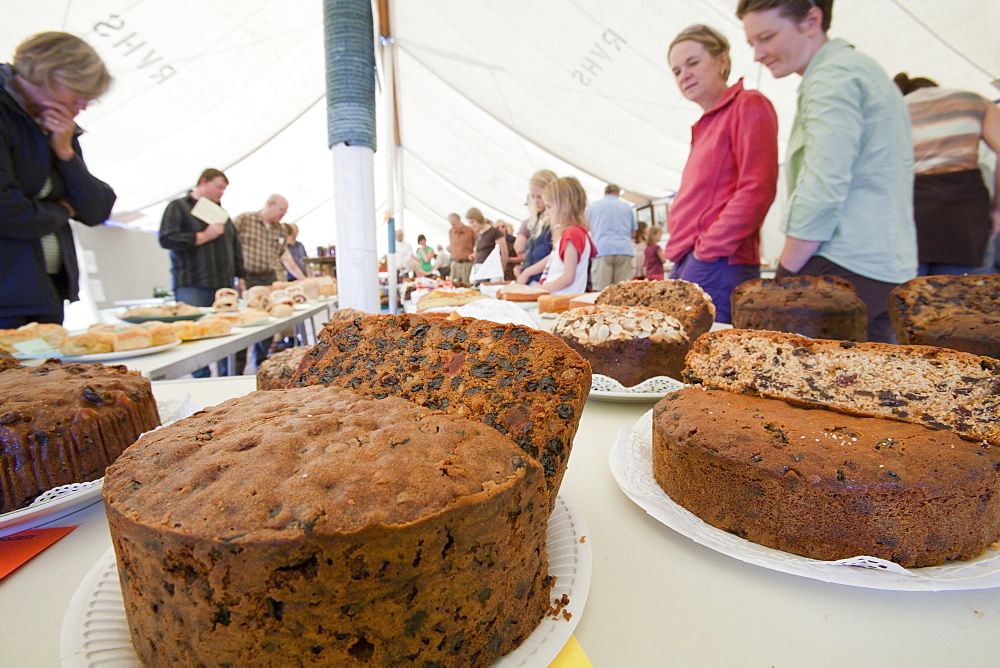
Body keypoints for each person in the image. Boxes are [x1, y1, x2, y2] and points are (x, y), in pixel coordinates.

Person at [738, 0, 917, 342]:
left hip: (842, 266)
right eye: (752, 43)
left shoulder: (831, 77)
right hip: (885, 264)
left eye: (767, 37)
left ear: (811, 21)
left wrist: (786, 274)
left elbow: (823, 183)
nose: (758, 54)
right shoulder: (861, 69)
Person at [0, 31, 115, 328]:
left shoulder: (55, 124)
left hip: (47, 291)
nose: (83, 105)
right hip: (7, 295)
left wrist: (65, 152)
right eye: (77, 94)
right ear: (43, 75)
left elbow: (97, 208)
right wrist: (63, 210)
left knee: (44, 375)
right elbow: (7, 211)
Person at [665, 24, 779, 324]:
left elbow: (757, 188)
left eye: (693, 63)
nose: (684, 75)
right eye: (676, 70)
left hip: (718, 261)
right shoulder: (704, 125)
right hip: (690, 258)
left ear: (722, 61)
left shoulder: (748, 104)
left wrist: (706, 250)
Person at [893, 73, 1000, 276]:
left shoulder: (896, 108)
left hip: (910, 212)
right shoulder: (974, 100)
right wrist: (997, 209)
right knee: (963, 299)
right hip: (965, 214)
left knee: (909, 298)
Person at [158, 168, 245, 376]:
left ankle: (229, 379)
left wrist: (241, 277)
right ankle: (202, 382)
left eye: (224, 189)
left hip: (223, 286)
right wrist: (203, 235)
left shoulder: (222, 214)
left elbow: (235, 247)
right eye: (218, 186)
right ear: (203, 182)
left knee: (230, 336)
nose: (221, 192)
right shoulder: (178, 207)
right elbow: (166, 238)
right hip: (192, 285)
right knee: (193, 339)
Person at [518, 176, 596, 295]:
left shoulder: (573, 234)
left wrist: (539, 289)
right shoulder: (570, 233)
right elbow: (554, 257)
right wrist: (528, 272)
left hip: (562, 300)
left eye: (549, 206)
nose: (546, 212)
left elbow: (567, 277)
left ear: (564, 206)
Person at [586, 184, 638, 291]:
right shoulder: (627, 207)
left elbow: (587, 228)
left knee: (601, 291)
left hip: (602, 249)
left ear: (605, 193)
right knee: (622, 291)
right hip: (624, 250)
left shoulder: (594, 206)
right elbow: (633, 232)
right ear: (618, 193)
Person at [514, 169, 557, 286]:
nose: (535, 201)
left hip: (546, 282)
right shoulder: (536, 219)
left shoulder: (556, 220)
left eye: (539, 197)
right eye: (533, 196)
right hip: (534, 280)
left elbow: (556, 255)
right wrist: (523, 270)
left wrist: (527, 272)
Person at [466, 207, 509, 283]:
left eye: (473, 222)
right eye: (470, 223)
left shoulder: (495, 233)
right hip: (479, 270)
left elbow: (504, 253)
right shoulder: (478, 235)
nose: (471, 225)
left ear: (478, 218)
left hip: (492, 271)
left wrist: (500, 271)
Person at [446, 212, 475, 284]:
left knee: (466, 284)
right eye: (451, 225)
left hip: (466, 264)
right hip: (455, 263)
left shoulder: (470, 231)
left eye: (454, 224)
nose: (453, 227)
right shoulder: (451, 231)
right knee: (453, 284)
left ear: (459, 221)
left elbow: (477, 246)